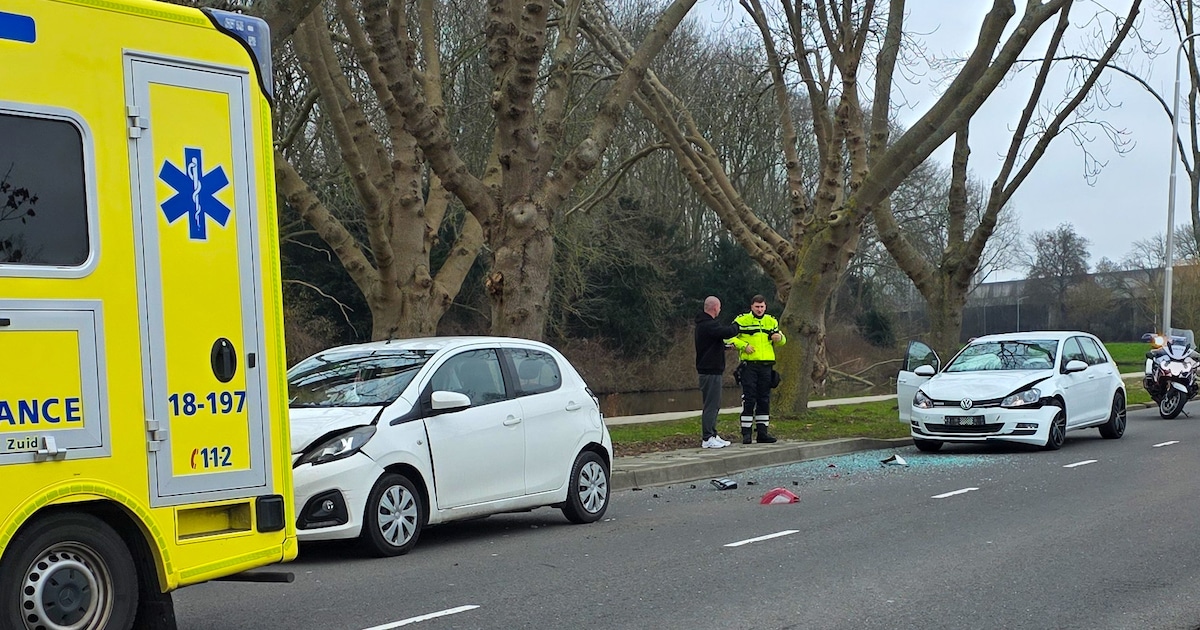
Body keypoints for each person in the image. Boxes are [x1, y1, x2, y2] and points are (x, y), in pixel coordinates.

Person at [728, 294, 785, 444]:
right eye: (757, 307)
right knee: (749, 398)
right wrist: (743, 346)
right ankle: (746, 434)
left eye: (762, 307)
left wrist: (780, 338)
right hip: (749, 366)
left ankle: (762, 433)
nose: (759, 309)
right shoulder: (742, 320)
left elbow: (781, 339)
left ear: (765, 307)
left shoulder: (771, 321)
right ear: (751, 307)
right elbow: (728, 337)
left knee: (764, 399)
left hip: (766, 365)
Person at [694, 296, 741, 449]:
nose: (720, 310)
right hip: (709, 371)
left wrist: (725, 348)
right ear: (715, 308)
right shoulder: (708, 325)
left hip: (711, 369)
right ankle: (707, 437)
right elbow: (727, 332)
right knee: (711, 405)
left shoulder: (704, 325)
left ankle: (713, 434)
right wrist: (738, 325)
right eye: (719, 308)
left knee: (715, 404)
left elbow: (712, 344)